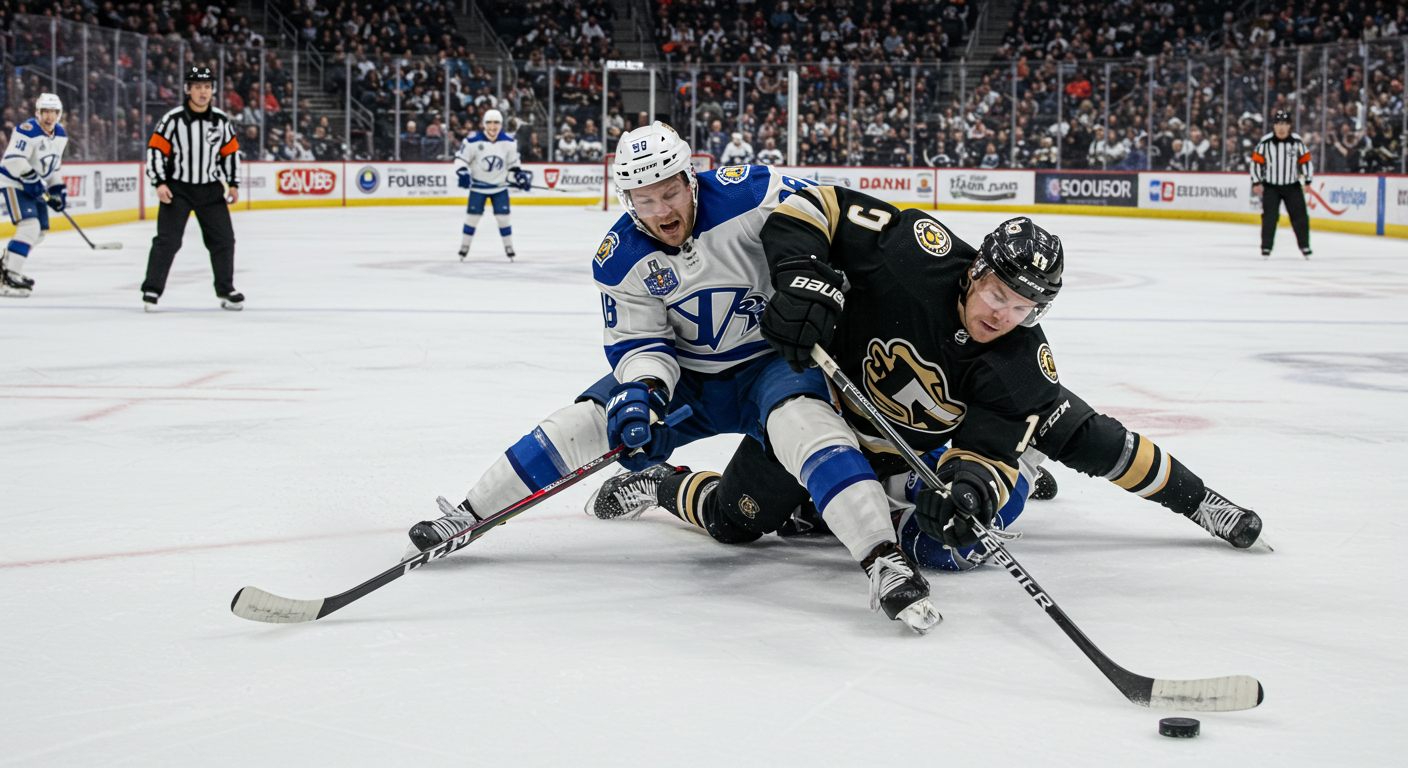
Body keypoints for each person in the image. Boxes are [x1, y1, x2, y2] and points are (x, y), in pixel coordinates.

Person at [407, 123, 939, 633]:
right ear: (627, 201)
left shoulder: (752, 194)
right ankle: (468, 516)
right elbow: (642, 344)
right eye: (646, 199)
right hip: (690, 380)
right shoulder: (618, 260)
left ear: (691, 178)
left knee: (760, 492)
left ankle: (884, 560)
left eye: (670, 192)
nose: (663, 210)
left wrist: (817, 283)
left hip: (775, 365)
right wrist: (641, 395)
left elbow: (834, 220)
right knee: (588, 422)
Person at [591, 194, 1266, 583]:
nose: (1003, 313)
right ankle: (663, 484)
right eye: (999, 292)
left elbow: (986, 453)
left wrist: (975, 487)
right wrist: (803, 276)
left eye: (1024, 307)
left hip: (919, 445)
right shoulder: (916, 251)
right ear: (976, 270)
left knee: (1049, 446)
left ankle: (1202, 502)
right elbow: (808, 206)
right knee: (733, 524)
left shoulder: (1020, 361)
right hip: (818, 413)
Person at [142, 66, 242, 312]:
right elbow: (155, 151)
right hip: (178, 190)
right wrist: (159, 182)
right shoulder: (172, 119)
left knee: (224, 240)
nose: (202, 92)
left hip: (210, 190)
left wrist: (233, 183)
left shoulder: (220, 120)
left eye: (207, 87)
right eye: (197, 87)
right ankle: (152, 289)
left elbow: (230, 153)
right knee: (168, 240)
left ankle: (225, 290)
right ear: (188, 89)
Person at [1, 93, 68, 298]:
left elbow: (52, 167)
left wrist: (57, 189)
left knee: (38, 234)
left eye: (53, 112)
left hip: (34, 185)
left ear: (59, 114)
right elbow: (13, 160)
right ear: (38, 112)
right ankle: (10, 275)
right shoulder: (27, 130)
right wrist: (30, 177)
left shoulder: (61, 135)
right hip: (14, 182)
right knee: (30, 227)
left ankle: (5, 267)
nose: (49, 116)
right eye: (45, 111)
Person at [453, 108, 529, 261]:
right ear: (483, 124)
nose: (492, 127)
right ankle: (464, 247)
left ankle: (509, 247)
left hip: (499, 188)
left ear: (501, 125)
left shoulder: (509, 143)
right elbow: (461, 160)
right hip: (478, 188)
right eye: (489, 123)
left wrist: (519, 176)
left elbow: (513, 164)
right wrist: (462, 172)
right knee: (472, 218)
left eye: (496, 123)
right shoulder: (472, 142)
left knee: (503, 218)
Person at [1251, 110, 1314, 259]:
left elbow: (1305, 161)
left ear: (1290, 126)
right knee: (1269, 217)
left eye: (1284, 124)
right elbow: (1256, 163)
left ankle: (1304, 246)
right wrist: (1256, 181)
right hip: (1271, 186)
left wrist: (1308, 180)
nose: (1281, 128)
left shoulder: (1297, 142)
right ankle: (1266, 247)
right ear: (1273, 126)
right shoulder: (1265, 142)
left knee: (1300, 217)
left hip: (1292, 186)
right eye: (1278, 124)